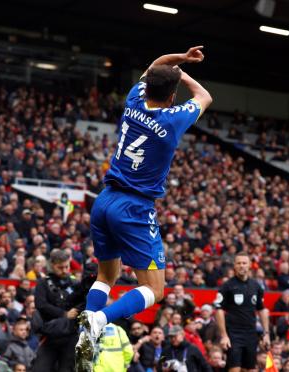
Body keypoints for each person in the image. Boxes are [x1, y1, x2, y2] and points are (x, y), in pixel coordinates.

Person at [76, 45, 212, 371]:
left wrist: (178, 61)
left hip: (104, 199)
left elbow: (156, 64)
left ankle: (86, 329)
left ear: (147, 85)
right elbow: (205, 95)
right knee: (155, 288)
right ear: (171, 95)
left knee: (108, 275)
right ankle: (98, 322)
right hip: (134, 208)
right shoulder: (173, 120)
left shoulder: (133, 100)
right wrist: (183, 71)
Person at [215, 252, 270, 372]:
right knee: (235, 369)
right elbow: (218, 310)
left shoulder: (256, 286)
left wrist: (266, 334)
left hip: (251, 333)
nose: (241, 265)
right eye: (238, 263)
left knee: (251, 369)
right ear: (234, 265)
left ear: (249, 265)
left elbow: (262, 309)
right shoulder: (227, 286)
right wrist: (224, 335)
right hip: (233, 333)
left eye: (244, 263)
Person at [32, 249, 85, 372]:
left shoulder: (75, 283)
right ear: (52, 266)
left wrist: (76, 310)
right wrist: (63, 314)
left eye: (67, 266)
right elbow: (40, 304)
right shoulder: (43, 283)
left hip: (71, 335)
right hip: (50, 333)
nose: (65, 270)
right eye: (60, 267)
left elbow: (83, 303)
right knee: (40, 368)